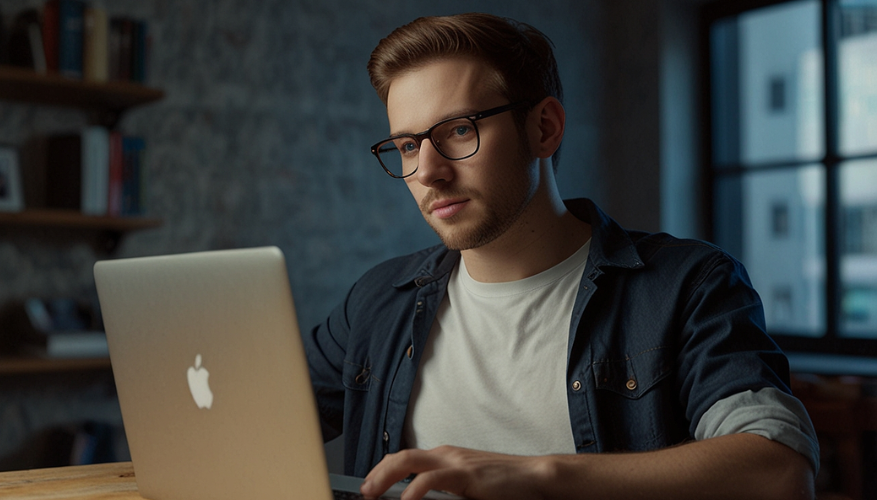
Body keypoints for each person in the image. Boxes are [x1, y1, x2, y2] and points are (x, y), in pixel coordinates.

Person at [304, 13, 819, 500]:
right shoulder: (377, 300)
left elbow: (777, 470)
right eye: (408, 146)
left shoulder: (688, 285)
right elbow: (245, 417)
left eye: (459, 130)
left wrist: (539, 475)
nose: (428, 172)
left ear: (544, 128)